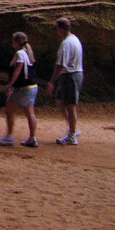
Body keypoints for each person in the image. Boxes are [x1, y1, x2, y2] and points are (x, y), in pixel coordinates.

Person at [0, 31, 38, 147]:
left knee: (9, 109)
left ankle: (9, 137)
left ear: (16, 42)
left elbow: (18, 69)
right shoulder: (28, 53)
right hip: (32, 86)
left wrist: (10, 85)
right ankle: (32, 138)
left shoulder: (20, 53)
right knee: (30, 112)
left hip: (23, 88)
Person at [46, 16, 84, 145]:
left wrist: (52, 81)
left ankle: (72, 136)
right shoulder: (74, 39)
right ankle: (73, 128)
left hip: (71, 75)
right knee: (59, 100)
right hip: (73, 74)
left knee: (70, 105)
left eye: (57, 29)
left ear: (61, 29)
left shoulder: (66, 44)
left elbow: (60, 65)